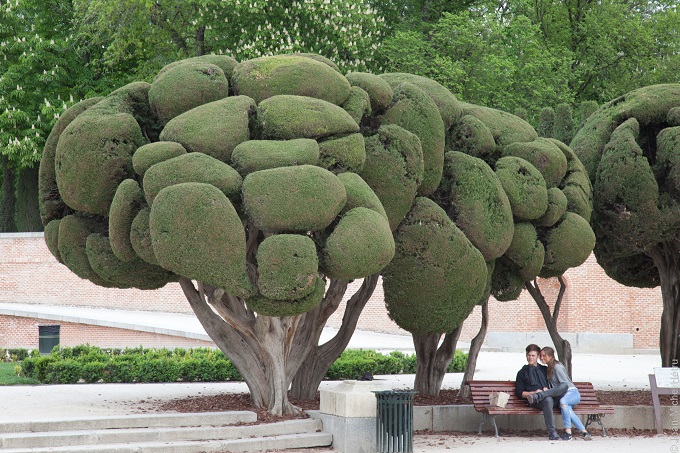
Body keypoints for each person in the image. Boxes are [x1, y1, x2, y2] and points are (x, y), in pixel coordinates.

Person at [537, 346, 592, 441]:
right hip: (565, 396)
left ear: (550, 356)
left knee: (563, 402)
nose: (541, 358)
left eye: (544, 356)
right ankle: (584, 432)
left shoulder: (557, 367)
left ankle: (568, 432)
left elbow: (564, 385)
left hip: (572, 393)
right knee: (567, 410)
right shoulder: (550, 367)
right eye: (541, 356)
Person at [515, 344, 566, 441]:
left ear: (538, 356)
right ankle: (552, 433)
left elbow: (556, 383)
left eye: (533, 355)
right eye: (528, 355)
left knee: (562, 394)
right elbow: (519, 393)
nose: (530, 358)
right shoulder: (522, 372)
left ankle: (574, 431)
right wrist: (533, 392)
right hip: (534, 400)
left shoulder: (545, 369)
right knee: (548, 400)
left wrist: (548, 389)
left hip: (550, 396)